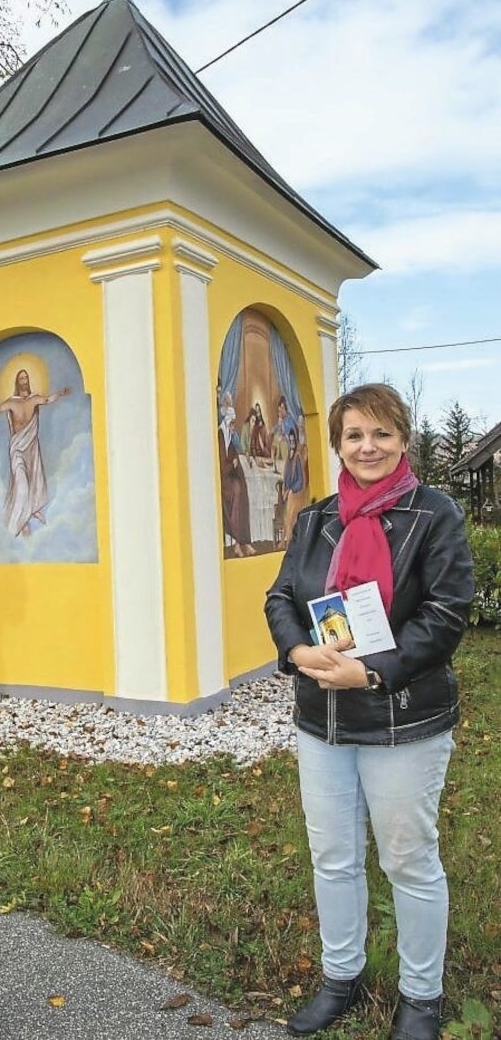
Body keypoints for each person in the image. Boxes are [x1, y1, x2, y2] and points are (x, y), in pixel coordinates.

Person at [264, 384, 474, 1040]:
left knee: (408, 859)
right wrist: (297, 649)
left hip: (402, 720)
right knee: (333, 858)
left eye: (381, 433)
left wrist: (372, 670)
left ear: (404, 439)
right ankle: (340, 978)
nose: (368, 446)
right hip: (323, 720)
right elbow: (280, 597)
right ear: (339, 444)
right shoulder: (316, 518)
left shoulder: (435, 514)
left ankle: (419, 998)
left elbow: (446, 613)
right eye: (354, 434)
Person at [0, 368, 70, 537]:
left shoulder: (34, 399)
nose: (24, 380)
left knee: (33, 481)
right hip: (18, 449)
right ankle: (19, 522)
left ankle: (29, 513)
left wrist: (60, 394)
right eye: (21, 378)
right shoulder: (12, 402)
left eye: (26, 377)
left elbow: (48, 400)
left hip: (31, 448)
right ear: (17, 382)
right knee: (21, 485)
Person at [218, 406, 256, 557]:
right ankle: (237, 543)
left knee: (242, 490)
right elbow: (222, 463)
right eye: (232, 424)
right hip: (224, 483)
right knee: (237, 489)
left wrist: (235, 463)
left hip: (231, 479)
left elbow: (233, 455)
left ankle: (244, 541)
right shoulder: (221, 436)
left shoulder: (230, 438)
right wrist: (231, 464)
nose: (234, 427)